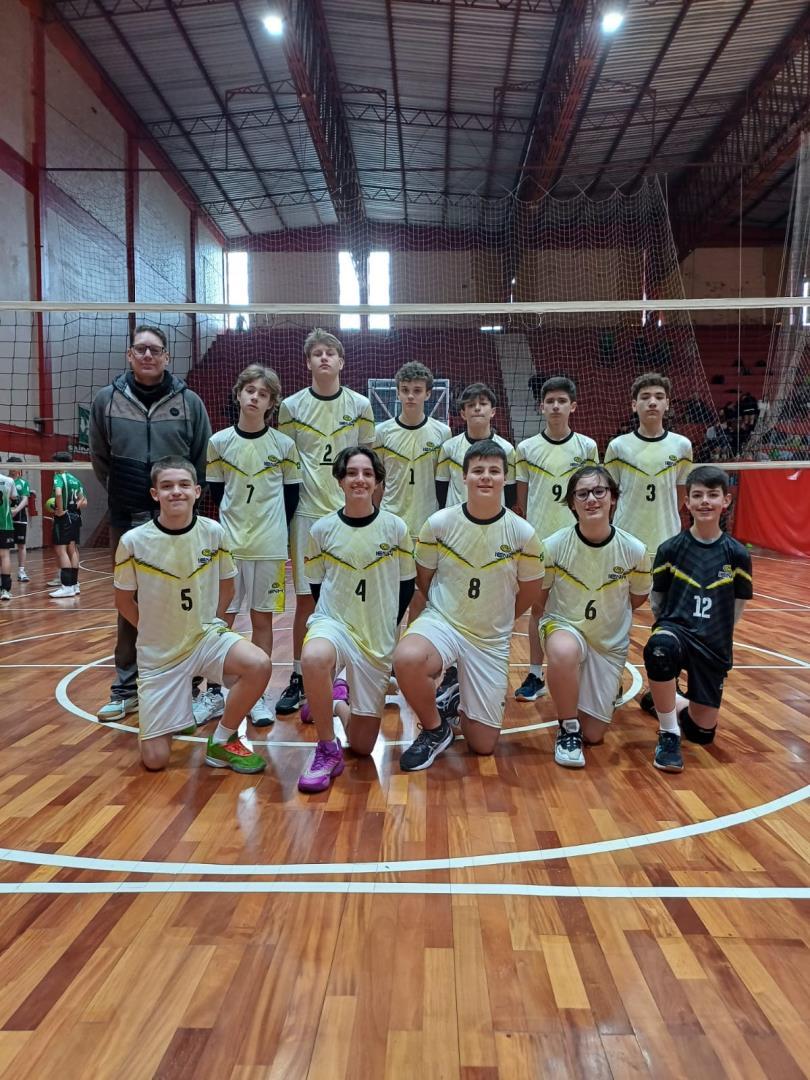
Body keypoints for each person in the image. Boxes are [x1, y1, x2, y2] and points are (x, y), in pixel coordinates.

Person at [114, 456, 270, 773]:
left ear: (197, 491)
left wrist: (216, 625)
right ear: (155, 494)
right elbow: (123, 600)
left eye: (184, 484)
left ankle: (223, 740)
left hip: (204, 637)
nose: (176, 491)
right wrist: (151, 631)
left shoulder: (214, 533)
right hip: (159, 654)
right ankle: (174, 714)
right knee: (155, 761)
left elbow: (228, 586)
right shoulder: (133, 542)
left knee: (259, 664)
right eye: (167, 486)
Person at [395, 440, 543, 772]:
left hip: (489, 639)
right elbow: (425, 579)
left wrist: (499, 618)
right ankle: (435, 729)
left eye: (494, 471)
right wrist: (447, 609)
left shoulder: (523, 534)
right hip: (444, 622)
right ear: (464, 477)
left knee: (483, 745)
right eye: (478, 470)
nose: (485, 477)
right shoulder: (438, 524)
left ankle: (456, 695)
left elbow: (531, 590)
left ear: (505, 477)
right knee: (407, 657)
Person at [90, 324, 212, 722]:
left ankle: (186, 684)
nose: (147, 355)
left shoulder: (189, 402)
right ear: (130, 354)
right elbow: (100, 459)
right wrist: (126, 491)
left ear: (166, 357)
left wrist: (179, 502)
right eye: (140, 349)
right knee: (129, 600)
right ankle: (126, 689)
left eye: (154, 350)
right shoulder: (107, 400)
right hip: (127, 515)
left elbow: (199, 459)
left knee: (180, 599)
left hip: (178, 520)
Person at [297, 447, 415, 793]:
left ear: (378, 482)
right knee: (314, 656)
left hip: (375, 636)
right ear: (340, 480)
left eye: (367, 473)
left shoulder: (396, 528)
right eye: (351, 472)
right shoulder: (321, 530)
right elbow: (317, 586)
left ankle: (334, 702)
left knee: (362, 746)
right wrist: (330, 620)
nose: (359, 479)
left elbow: (407, 585)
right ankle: (326, 747)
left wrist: (387, 626)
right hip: (334, 622)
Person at [276, 329, 375, 715]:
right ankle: (299, 676)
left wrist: (369, 512)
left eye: (330, 353)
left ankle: (343, 679)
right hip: (306, 515)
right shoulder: (291, 407)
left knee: (348, 598)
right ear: (308, 362)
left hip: (349, 516)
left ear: (341, 361)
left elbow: (367, 464)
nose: (323, 358)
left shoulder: (360, 405)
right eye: (316, 353)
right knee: (305, 600)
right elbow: (286, 464)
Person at [200, 364, 301, 727]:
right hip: (230, 547)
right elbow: (217, 492)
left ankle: (257, 696)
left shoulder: (284, 446)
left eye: (263, 394)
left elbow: (290, 497)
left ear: (272, 403)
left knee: (262, 620)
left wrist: (269, 528)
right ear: (238, 394)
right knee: (220, 620)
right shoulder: (219, 442)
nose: (255, 398)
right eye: (250, 391)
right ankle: (213, 693)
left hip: (269, 548)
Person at [641, 465, 753, 773]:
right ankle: (668, 733)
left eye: (712, 495)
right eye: (698, 495)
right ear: (687, 502)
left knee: (702, 733)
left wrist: (718, 632)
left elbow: (738, 604)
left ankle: (666, 701)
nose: (705, 501)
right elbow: (658, 599)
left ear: (725, 501)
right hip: (677, 630)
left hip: (713, 642)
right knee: (660, 650)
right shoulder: (670, 549)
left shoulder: (737, 555)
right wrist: (666, 630)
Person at [538, 465, 650, 768]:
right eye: (583, 494)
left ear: (613, 498)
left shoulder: (634, 550)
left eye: (599, 491)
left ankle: (592, 687)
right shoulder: (553, 546)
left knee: (594, 735)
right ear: (572, 503)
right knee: (564, 650)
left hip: (607, 644)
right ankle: (567, 728)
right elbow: (541, 597)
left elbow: (637, 598)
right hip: (564, 626)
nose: (591, 499)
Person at [514, 376, 598, 702]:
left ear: (572, 406)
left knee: (582, 608)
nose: (556, 406)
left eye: (562, 401)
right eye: (550, 401)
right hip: (541, 542)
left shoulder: (587, 447)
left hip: (578, 541)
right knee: (539, 608)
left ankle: (586, 672)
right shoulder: (526, 449)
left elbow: (593, 492)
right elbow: (523, 498)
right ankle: (535, 674)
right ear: (541, 407)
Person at [373, 361, 451, 619]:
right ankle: (390, 641)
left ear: (428, 394)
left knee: (420, 593)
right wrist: (378, 516)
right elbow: (377, 482)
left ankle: (413, 641)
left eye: (417, 391)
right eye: (405, 390)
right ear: (397, 392)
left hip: (428, 522)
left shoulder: (442, 433)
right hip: (391, 521)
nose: (410, 396)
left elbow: (444, 481)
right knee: (390, 593)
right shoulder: (382, 433)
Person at [604, 373, 693, 558]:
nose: (652, 402)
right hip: (626, 536)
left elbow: (681, 490)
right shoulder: (617, 446)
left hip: (667, 536)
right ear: (634, 405)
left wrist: (664, 515)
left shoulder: (682, 445)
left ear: (667, 404)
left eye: (659, 397)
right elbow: (609, 495)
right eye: (645, 397)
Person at [436, 383, 517, 510]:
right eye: (471, 405)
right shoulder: (449, 448)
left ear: (493, 412)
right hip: (457, 519)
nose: (477, 408)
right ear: (463, 414)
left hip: (493, 517)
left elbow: (510, 493)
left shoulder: (507, 449)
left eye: (483, 404)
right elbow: (441, 490)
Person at [49, 451, 88, 599]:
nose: (52, 466)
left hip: (64, 517)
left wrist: (60, 510)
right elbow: (84, 501)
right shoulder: (75, 480)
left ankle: (66, 587)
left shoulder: (58, 477)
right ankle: (74, 585)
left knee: (61, 550)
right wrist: (74, 507)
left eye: (54, 463)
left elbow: (58, 494)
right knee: (73, 550)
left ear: (60, 463)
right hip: (75, 517)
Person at [7, 458, 31, 582]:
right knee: (4, 546)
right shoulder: (4, 481)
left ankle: (21, 572)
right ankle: (4, 573)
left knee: (21, 545)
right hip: (5, 518)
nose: (13, 468)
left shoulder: (23, 483)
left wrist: (16, 510)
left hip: (20, 517)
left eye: (16, 465)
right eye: (11, 465)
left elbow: (25, 499)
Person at [0, 469, 15, 601]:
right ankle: (5, 589)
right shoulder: (9, 480)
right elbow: (13, 498)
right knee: (4, 555)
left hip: (5, 524)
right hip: (5, 523)